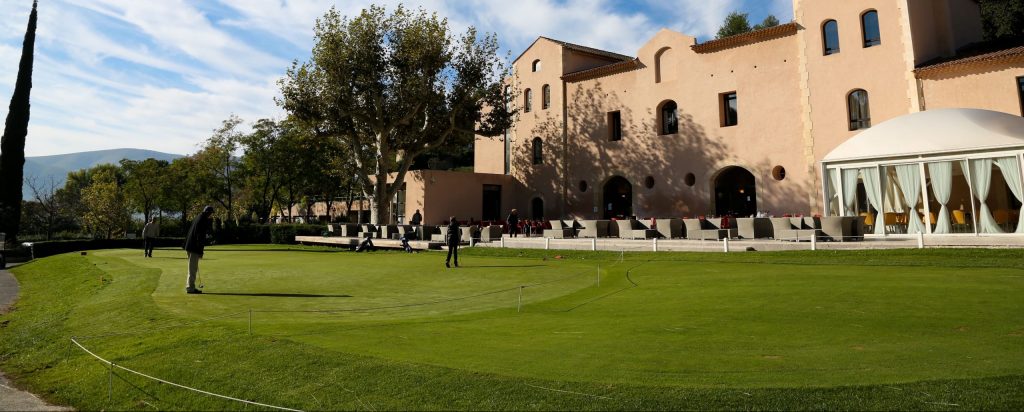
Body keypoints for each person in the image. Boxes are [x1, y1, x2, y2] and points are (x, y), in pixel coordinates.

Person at [182, 205, 215, 294]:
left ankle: (190, 286)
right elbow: (200, 237)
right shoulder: (203, 220)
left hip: (190, 245)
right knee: (192, 268)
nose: (211, 215)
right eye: (211, 213)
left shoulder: (198, 217)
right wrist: (200, 251)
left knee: (192, 268)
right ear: (208, 212)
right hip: (193, 247)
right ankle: (190, 288)